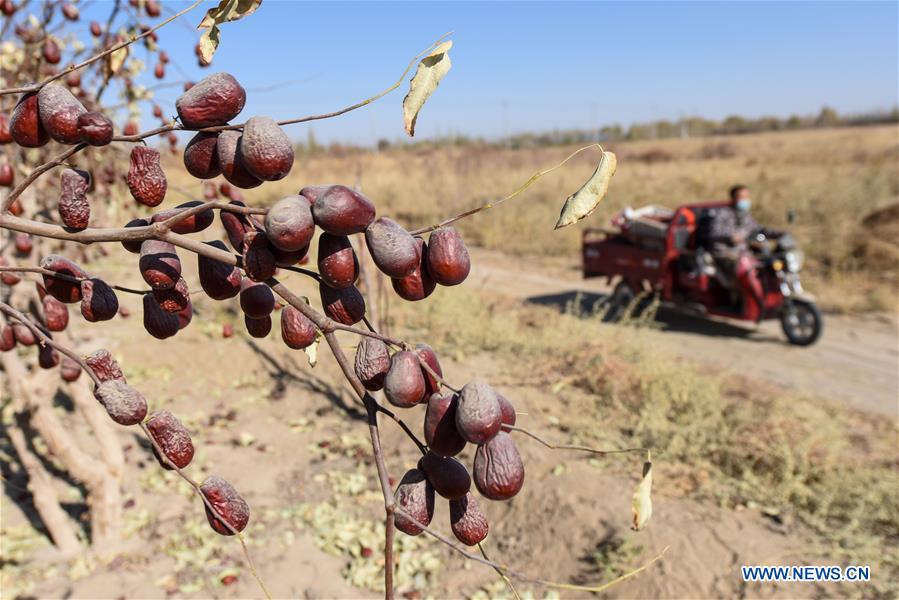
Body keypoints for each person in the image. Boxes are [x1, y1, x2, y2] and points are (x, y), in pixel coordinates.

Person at [708, 185, 765, 313]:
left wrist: (767, 237)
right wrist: (730, 237)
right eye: (742, 197)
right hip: (724, 253)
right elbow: (713, 233)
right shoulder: (722, 214)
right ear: (733, 199)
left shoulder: (746, 216)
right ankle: (737, 302)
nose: (745, 200)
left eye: (747, 197)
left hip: (743, 253)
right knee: (742, 271)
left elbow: (758, 231)